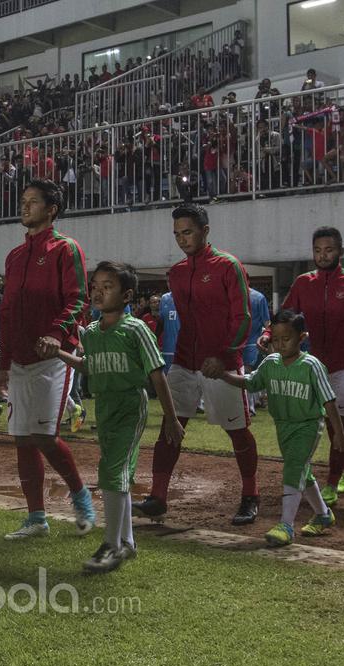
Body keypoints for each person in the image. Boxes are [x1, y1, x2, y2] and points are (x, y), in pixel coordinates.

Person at [134, 204, 261, 526]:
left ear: (205, 231)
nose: (181, 239)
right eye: (177, 234)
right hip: (184, 363)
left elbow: (243, 317)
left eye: (187, 232)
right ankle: (158, 497)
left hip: (222, 365)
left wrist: (223, 355)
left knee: (237, 431)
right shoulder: (176, 273)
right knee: (170, 427)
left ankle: (251, 495)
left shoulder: (228, 266)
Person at [53, 261, 183, 572]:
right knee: (117, 475)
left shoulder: (136, 329)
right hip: (106, 407)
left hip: (129, 406)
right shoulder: (94, 332)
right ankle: (126, 543)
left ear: (126, 295)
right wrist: (58, 352)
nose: (98, 292)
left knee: (111, 473)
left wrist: (172, 418)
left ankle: (111, 545)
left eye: (107, 286)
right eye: (95, 286)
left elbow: (157, 375)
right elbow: (87, 366)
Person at [258, 226, 344, 506]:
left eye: (329, 249)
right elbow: (284, 315)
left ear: (341, 251)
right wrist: (268, 335)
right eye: (318, 250)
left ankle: (331, 481)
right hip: (316, 364)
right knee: (328, 423)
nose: (323, 255)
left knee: (339, 422)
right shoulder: (304, 283)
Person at [0, 179, 95, 540]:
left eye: (33, 202)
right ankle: (36, 518)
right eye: (23, 201)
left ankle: (81, 496)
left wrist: (56, 334)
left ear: (51, 209)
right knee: (23, 438)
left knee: (43, 435)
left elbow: (79, 299)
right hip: (20, 358)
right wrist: (3, 363)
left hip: (54, 357)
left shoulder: (65, 248)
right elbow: (6, 312)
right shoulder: (15, 255)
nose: (24, 207)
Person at [206, 310, 344, 547]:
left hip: (307, 425)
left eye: (286, 339)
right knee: (302, 470)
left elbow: (329, 401)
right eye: (276, 339)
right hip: (283, 426)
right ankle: (323, 514)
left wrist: (339, 434)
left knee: (293, 467)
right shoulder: (271, 363)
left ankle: (286, 525)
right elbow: (250, 383)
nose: (280, 344)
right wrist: (224, 375)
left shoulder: (312, 366)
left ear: (302, 337)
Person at [157, 291, 179, 371]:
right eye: (168, 281)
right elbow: (161, 322)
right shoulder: (164, 298)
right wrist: (154, 339)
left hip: (184, 349)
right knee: (167, 380)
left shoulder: (188, 295)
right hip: (167, 348)